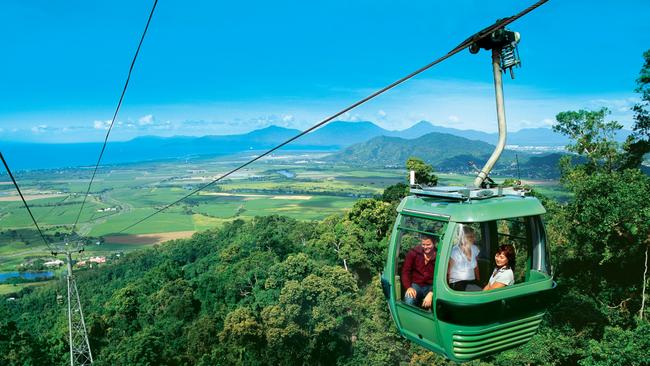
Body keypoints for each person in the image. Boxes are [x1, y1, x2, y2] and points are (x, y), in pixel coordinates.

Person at [401, 234, 437, 309]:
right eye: (423, 244)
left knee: (438, 303)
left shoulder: (439, 255)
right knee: (409, 299)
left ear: (434, 243)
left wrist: (432, 292)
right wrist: (408, 287)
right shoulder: (414, 253)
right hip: (416, 285)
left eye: (428, 244)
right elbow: (406, 271)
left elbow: (444, 276)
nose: (425, 247)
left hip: (432, 286)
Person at [447, 225, 481, 291]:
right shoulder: (454, 251)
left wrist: (479, 282)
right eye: (470, 237)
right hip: (457, 282)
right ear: (463, 237)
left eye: (473, 236)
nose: (473, 239)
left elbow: (476, 268)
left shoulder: (474, 249)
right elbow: (448, 272)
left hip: (471, 282)